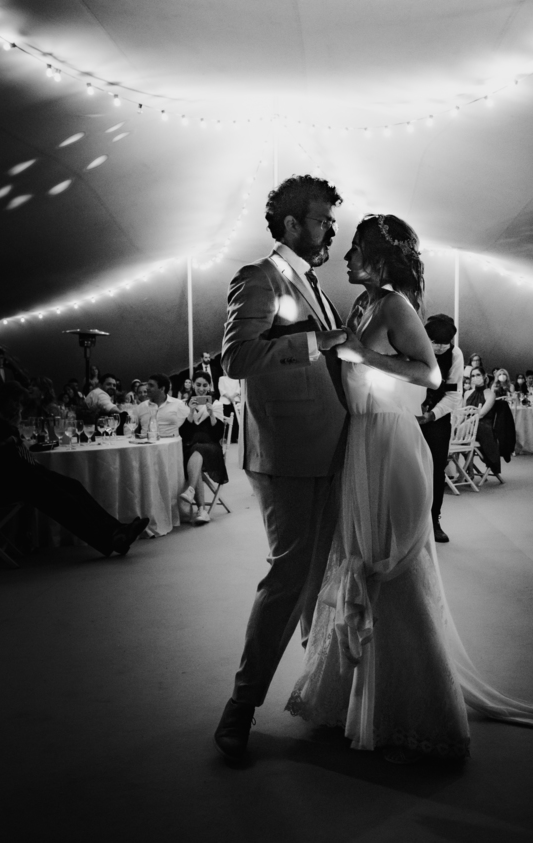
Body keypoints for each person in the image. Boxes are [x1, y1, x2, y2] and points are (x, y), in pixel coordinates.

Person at [287, 213, 533, 763]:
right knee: (357, 552)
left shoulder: (395, 305)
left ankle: (412, 707)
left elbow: (429, 374)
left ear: (381, 257)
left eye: (355, 248)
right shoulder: (361, 305)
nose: (346, 257)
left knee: (395, 559)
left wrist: (364, 356)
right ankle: (358, 696)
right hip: (360, 439)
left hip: (391, 440)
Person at [213, 174, 350, 763]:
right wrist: (317, 343)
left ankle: (319, 692)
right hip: (287, 453)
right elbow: (237, 358)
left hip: (332, 446)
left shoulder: (315, 284)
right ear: (292, 223)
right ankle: (241, 704)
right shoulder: (258, 277)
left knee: (323, 577)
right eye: (322, 220)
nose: (331, 231)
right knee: (288, 577)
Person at [0, 378, 148, 556]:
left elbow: (2, 433)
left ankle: (116, 530)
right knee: (62, 498)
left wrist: (6, 438)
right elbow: (3, 429)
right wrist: (6, 437)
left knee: (72, 486)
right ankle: (111, 538)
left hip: (10, 476)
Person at [418, 314, 462, 543]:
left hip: (438, 417)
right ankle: (410, 522)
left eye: (445, 343)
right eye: (435, 342)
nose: (440, 347)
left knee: (436, 469)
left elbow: (454, 394)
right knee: (409, 466)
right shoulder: (415, 347)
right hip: (410, 412)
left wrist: (432, 414)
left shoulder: (455, 354)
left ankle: (434, 521)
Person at [179, 374, 228, 525]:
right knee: (196, 453)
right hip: (191, 447)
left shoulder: (217, 404)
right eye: (198, 385)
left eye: (205, 385)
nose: (201, 389)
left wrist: (211, 413)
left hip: (211, 447)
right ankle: (202, 510)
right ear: (193, 385)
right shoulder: (184, 404)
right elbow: (184, 434)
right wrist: (191, 412)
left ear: (209, 386)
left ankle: (191, 491)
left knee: (198, 450)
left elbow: (218, 435)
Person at [463, 366, 502, 476]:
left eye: (478, 375)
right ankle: (467, 470)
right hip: (468, 426)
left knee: (465, 430)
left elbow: (481, 414)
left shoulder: (490, 394)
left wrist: (465, 424)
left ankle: (467, 471)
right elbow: (463, 412)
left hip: (484, 426)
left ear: (484, 376)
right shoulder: (467, 393)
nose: (475, 378)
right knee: (454, 430)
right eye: (473, 376)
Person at [134, 373, 189, 439]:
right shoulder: (141, 407)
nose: (147, 388)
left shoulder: (179, 405)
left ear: (162, 389)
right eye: (148, 385)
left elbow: (186, 428)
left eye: (151, 385)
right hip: (146, 444)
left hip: (170, 444)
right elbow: (130, 429)